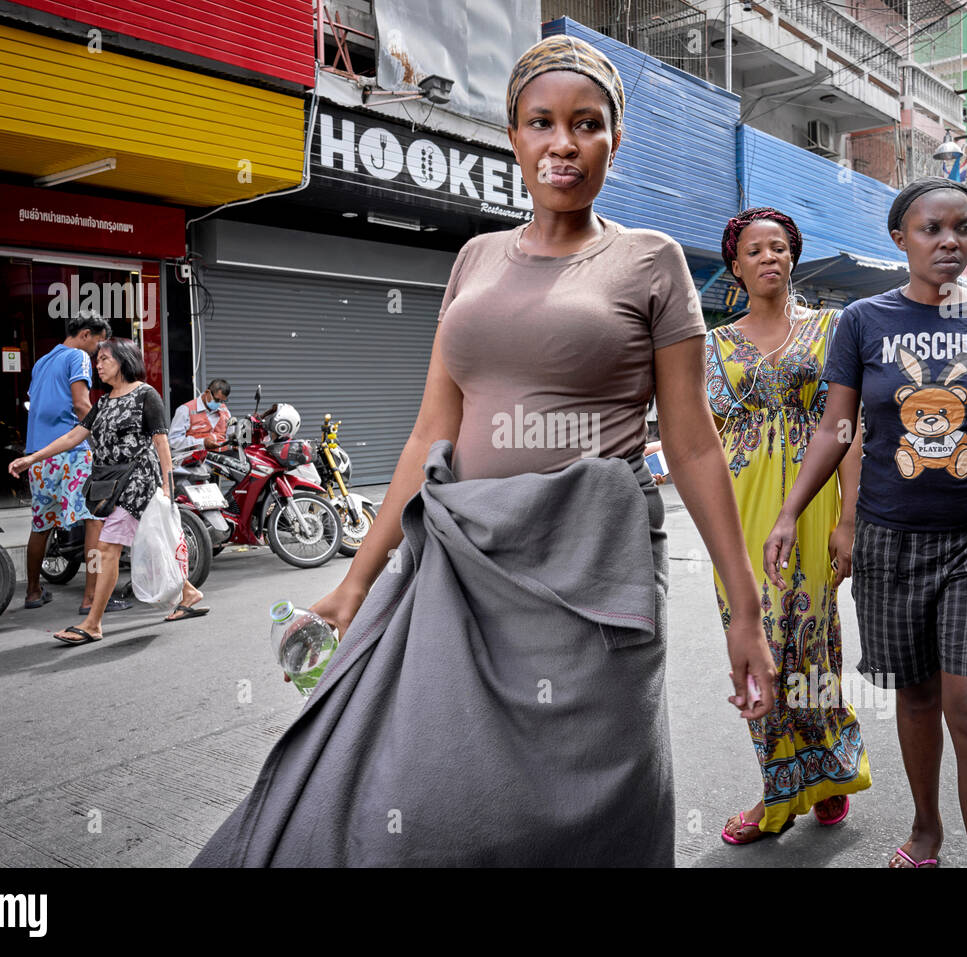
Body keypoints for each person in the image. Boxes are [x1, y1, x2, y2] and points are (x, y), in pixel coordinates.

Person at [193, 34, 776, 868]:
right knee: (425, 797)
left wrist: (744, 608)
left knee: (590, 803)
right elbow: (432, 429)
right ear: (514, 137)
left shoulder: (651, 262)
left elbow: (691, 444)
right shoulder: (474, 259)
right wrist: (354, 583)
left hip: (589, 585)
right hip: (459, 567)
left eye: (587, 124)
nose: (563, 143)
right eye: (541, 122)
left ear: (616, 140)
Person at [762, 177, 967, 868]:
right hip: (887, 540)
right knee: (918, 692)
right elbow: (838, 425)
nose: (950, 241)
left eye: (963, 228)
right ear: (901, 237)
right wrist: (791, 512)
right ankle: (926, 828)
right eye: (932, 228)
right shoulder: (864, 321)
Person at [708, 207, 871, 844]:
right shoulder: (715, 346)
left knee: (811, 637)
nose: (769, 258)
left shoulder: (832, 329)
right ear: (736, 265)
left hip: (814, 501)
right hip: (742, 502)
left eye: (780, 248)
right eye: (755, 251)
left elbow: (848, 427)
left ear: (793, 257)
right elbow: (707, 441)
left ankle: (826, 770)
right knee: (755, 641)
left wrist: (850, 516)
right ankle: (782, 786)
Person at [10, 338, 208, 642]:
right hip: (107, 481)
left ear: (123, 360)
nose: (97, 365)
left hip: (138, 480)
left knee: (106, 548)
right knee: (152, 541)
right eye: (97, 360)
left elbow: (161, 442)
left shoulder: (145, 395)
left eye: (104, 360)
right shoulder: (103, 402)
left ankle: (92, 623)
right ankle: (189, 593)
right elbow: (74, 435)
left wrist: (168, 487)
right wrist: (32, 458)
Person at [21, 312, 132, 615]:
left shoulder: (42, 362)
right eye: (98, 344)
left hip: (40, 455)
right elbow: (82, 404)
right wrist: (104, 438)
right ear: (86, 334)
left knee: (41, 525)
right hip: (71, 452)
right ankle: (92, 599)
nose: (98, 354)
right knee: (94, 521)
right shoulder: (78, 357)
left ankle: (33, 591)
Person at [168, 378, 231, 455]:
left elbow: (230, 435)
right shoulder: (185, 410)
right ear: (207, 392)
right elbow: (173, 441)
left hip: (222, 457)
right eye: (217, 400)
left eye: (222, 401)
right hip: (196, 459)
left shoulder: (224, 410)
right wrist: (202, 443)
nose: (219, 404)